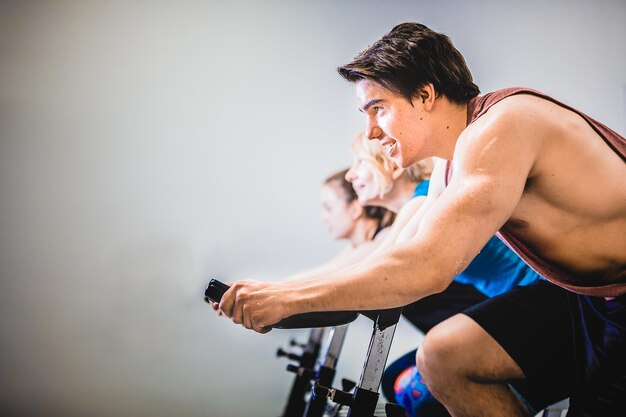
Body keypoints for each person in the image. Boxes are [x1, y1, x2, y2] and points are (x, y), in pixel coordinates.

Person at [218, 22, 626, 416]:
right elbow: (390, 256)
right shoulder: (448, 172)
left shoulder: (502, 127)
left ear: (426, 95)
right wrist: (276, 292)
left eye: (377, 109)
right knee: (444, 357)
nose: (372, 133)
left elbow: (425, 268)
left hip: (612, 295)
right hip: (582, 296)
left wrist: (288, 299)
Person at [348, 132, 541, 416]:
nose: (351, 175)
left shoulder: (425, 198)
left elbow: (381, 266)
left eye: (359, 163)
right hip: (522, 308)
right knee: (396, 380)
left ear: (389, 164)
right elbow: (367, 263)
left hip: (539, 310)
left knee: (408, 389)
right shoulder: (418, 201)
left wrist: (295, 298)